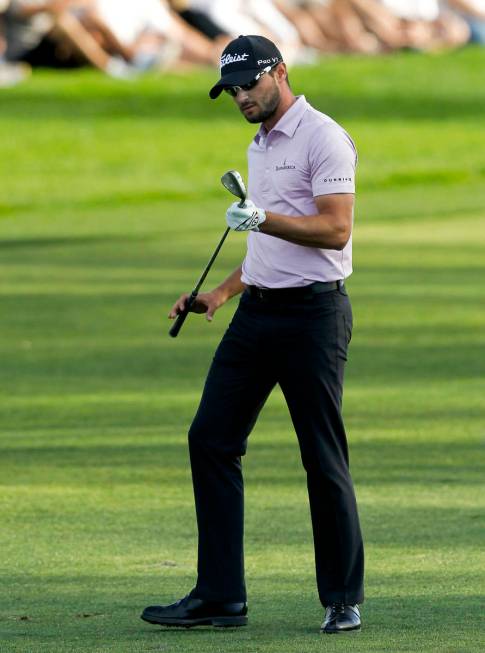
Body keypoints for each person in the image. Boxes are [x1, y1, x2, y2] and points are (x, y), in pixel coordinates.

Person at [141, 34, 364, 634]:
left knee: (321, 455)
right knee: (210, 438)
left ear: (280, 72)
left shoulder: (323, 137)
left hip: (314, 318)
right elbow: (267, 244)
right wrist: (220, 292)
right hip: (256, 314)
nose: (241, 95)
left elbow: (335, 230)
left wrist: (264, 217)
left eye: (249, 83)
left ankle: (342, 597)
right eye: (232, 89)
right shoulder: (259, 144)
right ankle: (220, 596)